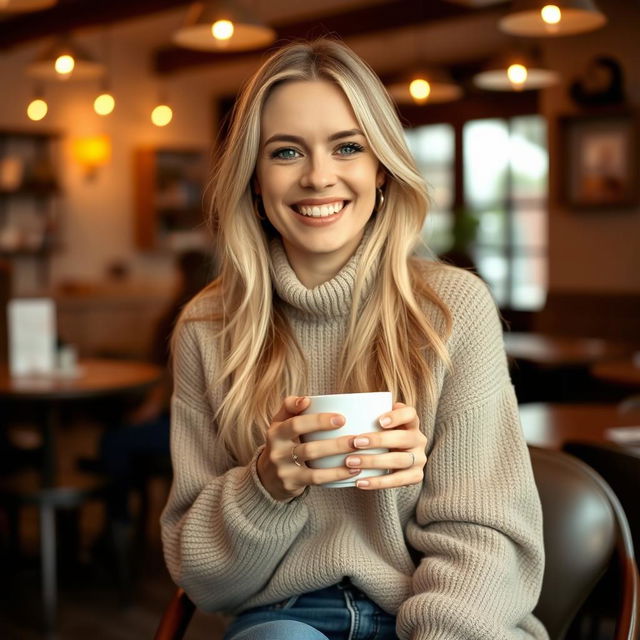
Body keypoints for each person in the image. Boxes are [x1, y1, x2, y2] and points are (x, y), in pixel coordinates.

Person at [160, 39, 547, 640]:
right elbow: (204, 579)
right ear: (255, 183)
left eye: (347, 147)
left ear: (381, 171)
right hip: (284, 617)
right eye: (286, 152)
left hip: (440, 613)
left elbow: (486, 541)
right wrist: (265, 484)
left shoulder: (451, 309)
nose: (319, 177)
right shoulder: (208, 328)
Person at [99, 249, 213, 526]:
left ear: (183, 275)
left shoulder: (187, 316)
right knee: (120, 436)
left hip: (184, 427)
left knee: (113, 441)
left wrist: (150, 407)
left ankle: (119, 526)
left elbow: (168, 379)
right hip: (205, 427)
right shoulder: (214, 311)